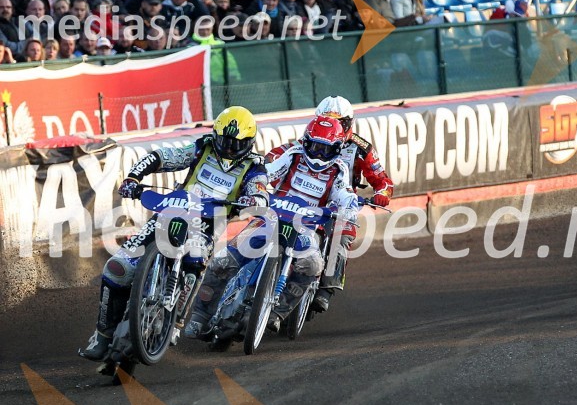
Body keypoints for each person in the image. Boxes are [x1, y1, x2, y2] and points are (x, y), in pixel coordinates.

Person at [79, 106, 269, 361]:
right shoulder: (202, 148)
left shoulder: (254, 168)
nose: (230, 148)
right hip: (170, 213)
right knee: (117, 268)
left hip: (207, 225)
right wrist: (134, 178)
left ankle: (177, 322)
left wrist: (253, 199)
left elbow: (261, 192)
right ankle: (101, 337)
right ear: (216, 135)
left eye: (237, 143)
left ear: (249, 143)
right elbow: (164, 156)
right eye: (225, 140)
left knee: (196, 262)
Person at [186, 115, 359, 344]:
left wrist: (350, 208)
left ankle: (278, 312)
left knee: (313, 265)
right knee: (222, 261)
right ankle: (200, 315)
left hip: (305, 228)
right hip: (269, 219)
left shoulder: (339, 170)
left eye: (325, 149)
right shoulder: (293, 155)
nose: (318, 154)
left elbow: (345, 193)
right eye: (314, 146)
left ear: (337, 150)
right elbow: (268, 171)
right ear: (306, 141)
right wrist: (256, 187)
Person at [310, 95, 393, 311]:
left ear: (349, 123)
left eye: (340, 122)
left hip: (342, 204)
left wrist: (382, 192)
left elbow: (382, 179)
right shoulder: (309, 139)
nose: (333, 126)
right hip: (308, 197)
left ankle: (326, 289)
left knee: (342, 235)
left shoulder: (361, 147)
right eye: (327, 120)